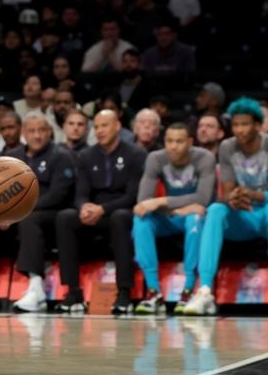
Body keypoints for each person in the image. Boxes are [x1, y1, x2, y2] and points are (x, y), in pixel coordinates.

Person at [0, 112, 75, 313]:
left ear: (50, 132)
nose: (37, 135)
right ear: (24, 133)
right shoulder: (10, 158)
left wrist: (16, 213)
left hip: (48, 220)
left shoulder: (61, 156)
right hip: (13, 222)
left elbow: (59, 195)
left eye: (42, 131)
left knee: (30, 218)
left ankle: (36, 289)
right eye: (32, 131)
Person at [55, 110, 146, 314]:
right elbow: (80, 194)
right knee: (65, 218)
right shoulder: (86, 155)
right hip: (94, 213)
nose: (100, 131)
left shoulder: (136, 154)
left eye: (104, 126)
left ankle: (124, 292)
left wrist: (102, 209)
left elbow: (132, 196)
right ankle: (73, 292)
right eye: (96, 127)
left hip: (121, 211)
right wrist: (84, 207)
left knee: (120, 217)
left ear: (117, 126)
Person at [184, 98, 268, 315]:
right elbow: (228, 190)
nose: (239, 129)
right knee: (215, 210)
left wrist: (253, 193)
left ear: (258, 125)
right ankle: (204, 292)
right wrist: (233, 198)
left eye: (245, 124)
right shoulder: (227, 147)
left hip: (265, 211)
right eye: (236, 124)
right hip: (244, 213)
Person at [132, 123, 215, 315]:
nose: (173, 146)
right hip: (171, 217)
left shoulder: (204, 158)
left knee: (196, 217)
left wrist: (162, 201)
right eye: (169, 141)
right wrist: (176, 209)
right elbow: (143, 202)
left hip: (194, 218)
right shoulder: (155, 158)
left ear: (190, 143)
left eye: (179, 141)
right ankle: (153, 292)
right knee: (141, 220)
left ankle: (188, 291)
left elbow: (203, 199)